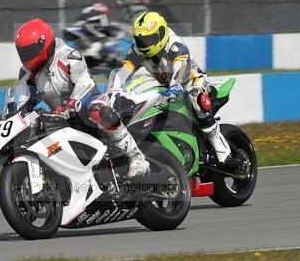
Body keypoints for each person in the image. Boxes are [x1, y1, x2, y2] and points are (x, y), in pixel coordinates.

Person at [14, 17, 149, 177]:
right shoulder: (27, 73)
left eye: (28, 51)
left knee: (98, 110)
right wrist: (16, 115)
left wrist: (73, 103)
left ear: (42, 46)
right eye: (22, 52)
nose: (26, 56)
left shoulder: (68, 56)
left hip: (85, 104)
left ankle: (136, 158)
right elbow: (23, 99)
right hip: (57, 115)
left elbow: (84, 83)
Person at [110, 11, 236, 166]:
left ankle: (218, 143)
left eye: (149, 39)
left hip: (191, 81)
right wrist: (112, 92)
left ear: (160, 33)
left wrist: (175, 87)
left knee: (195, 96)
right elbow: (123, 72)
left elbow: (181, 69)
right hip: (165, 84)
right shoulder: (137, 51)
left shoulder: (175, 46)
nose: (145, 44)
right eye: (142, 40)